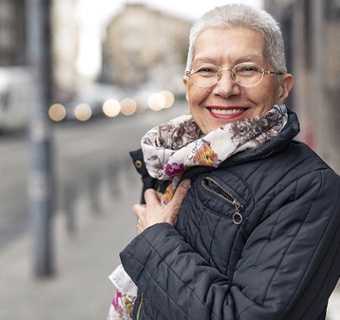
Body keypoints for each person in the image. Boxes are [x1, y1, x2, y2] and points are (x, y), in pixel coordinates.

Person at [115, 4, 340, 320]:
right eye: (206, 70)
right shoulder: (173, 158)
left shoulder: (310, 188)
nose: (225, 87)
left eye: (248, 69)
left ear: (283, 88)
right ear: (187, 85)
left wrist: (154, 240)